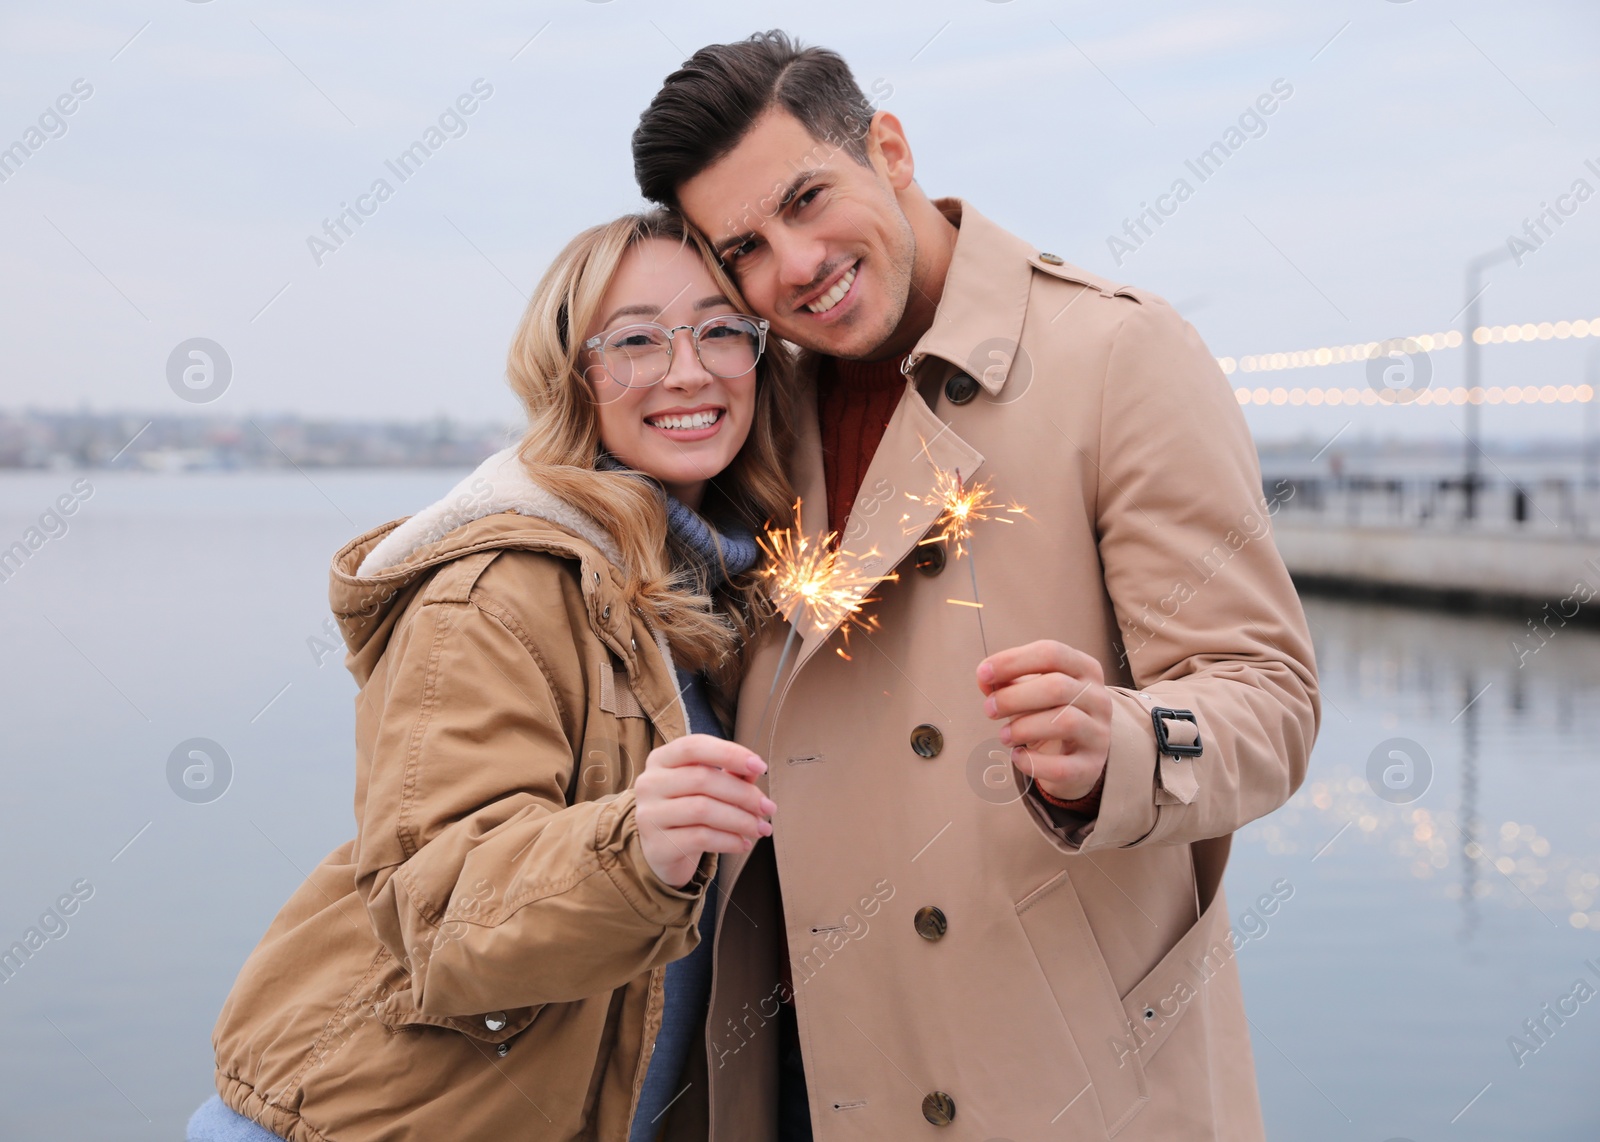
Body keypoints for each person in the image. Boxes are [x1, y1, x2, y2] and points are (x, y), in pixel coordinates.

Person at [627, 31, 1322, 1139]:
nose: (795, 264)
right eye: (745, 247)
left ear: (889, 149)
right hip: (815, 1067)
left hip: (1054, 1076)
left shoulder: (1114, 356)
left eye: (809, 198)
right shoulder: (756, 413)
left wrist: (1120, 744)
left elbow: (1271, 698)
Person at [190, 210, 799, 1141]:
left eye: (719, 328)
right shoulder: (491, 591)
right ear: (575, 375)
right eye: (635, 339)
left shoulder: (727, 589)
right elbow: (438, 913)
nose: (687, 369)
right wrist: (638, 846)